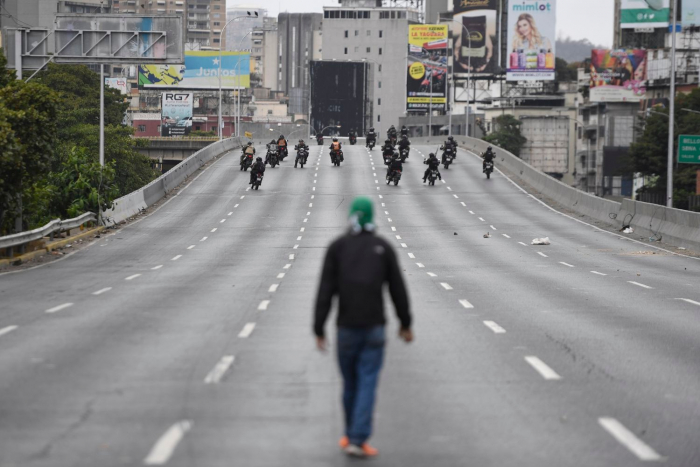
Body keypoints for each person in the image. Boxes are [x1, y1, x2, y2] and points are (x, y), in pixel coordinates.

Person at [314, 196, 413, 458]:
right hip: (373, 328)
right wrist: (406, 323)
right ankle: (358, 437)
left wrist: (318, 329)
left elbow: (325, 291)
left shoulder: (337, 247)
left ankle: (351, 435)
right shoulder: (382, 247)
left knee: (350, 383)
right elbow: (397, 289)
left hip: (345, 328)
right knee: (367, 381)